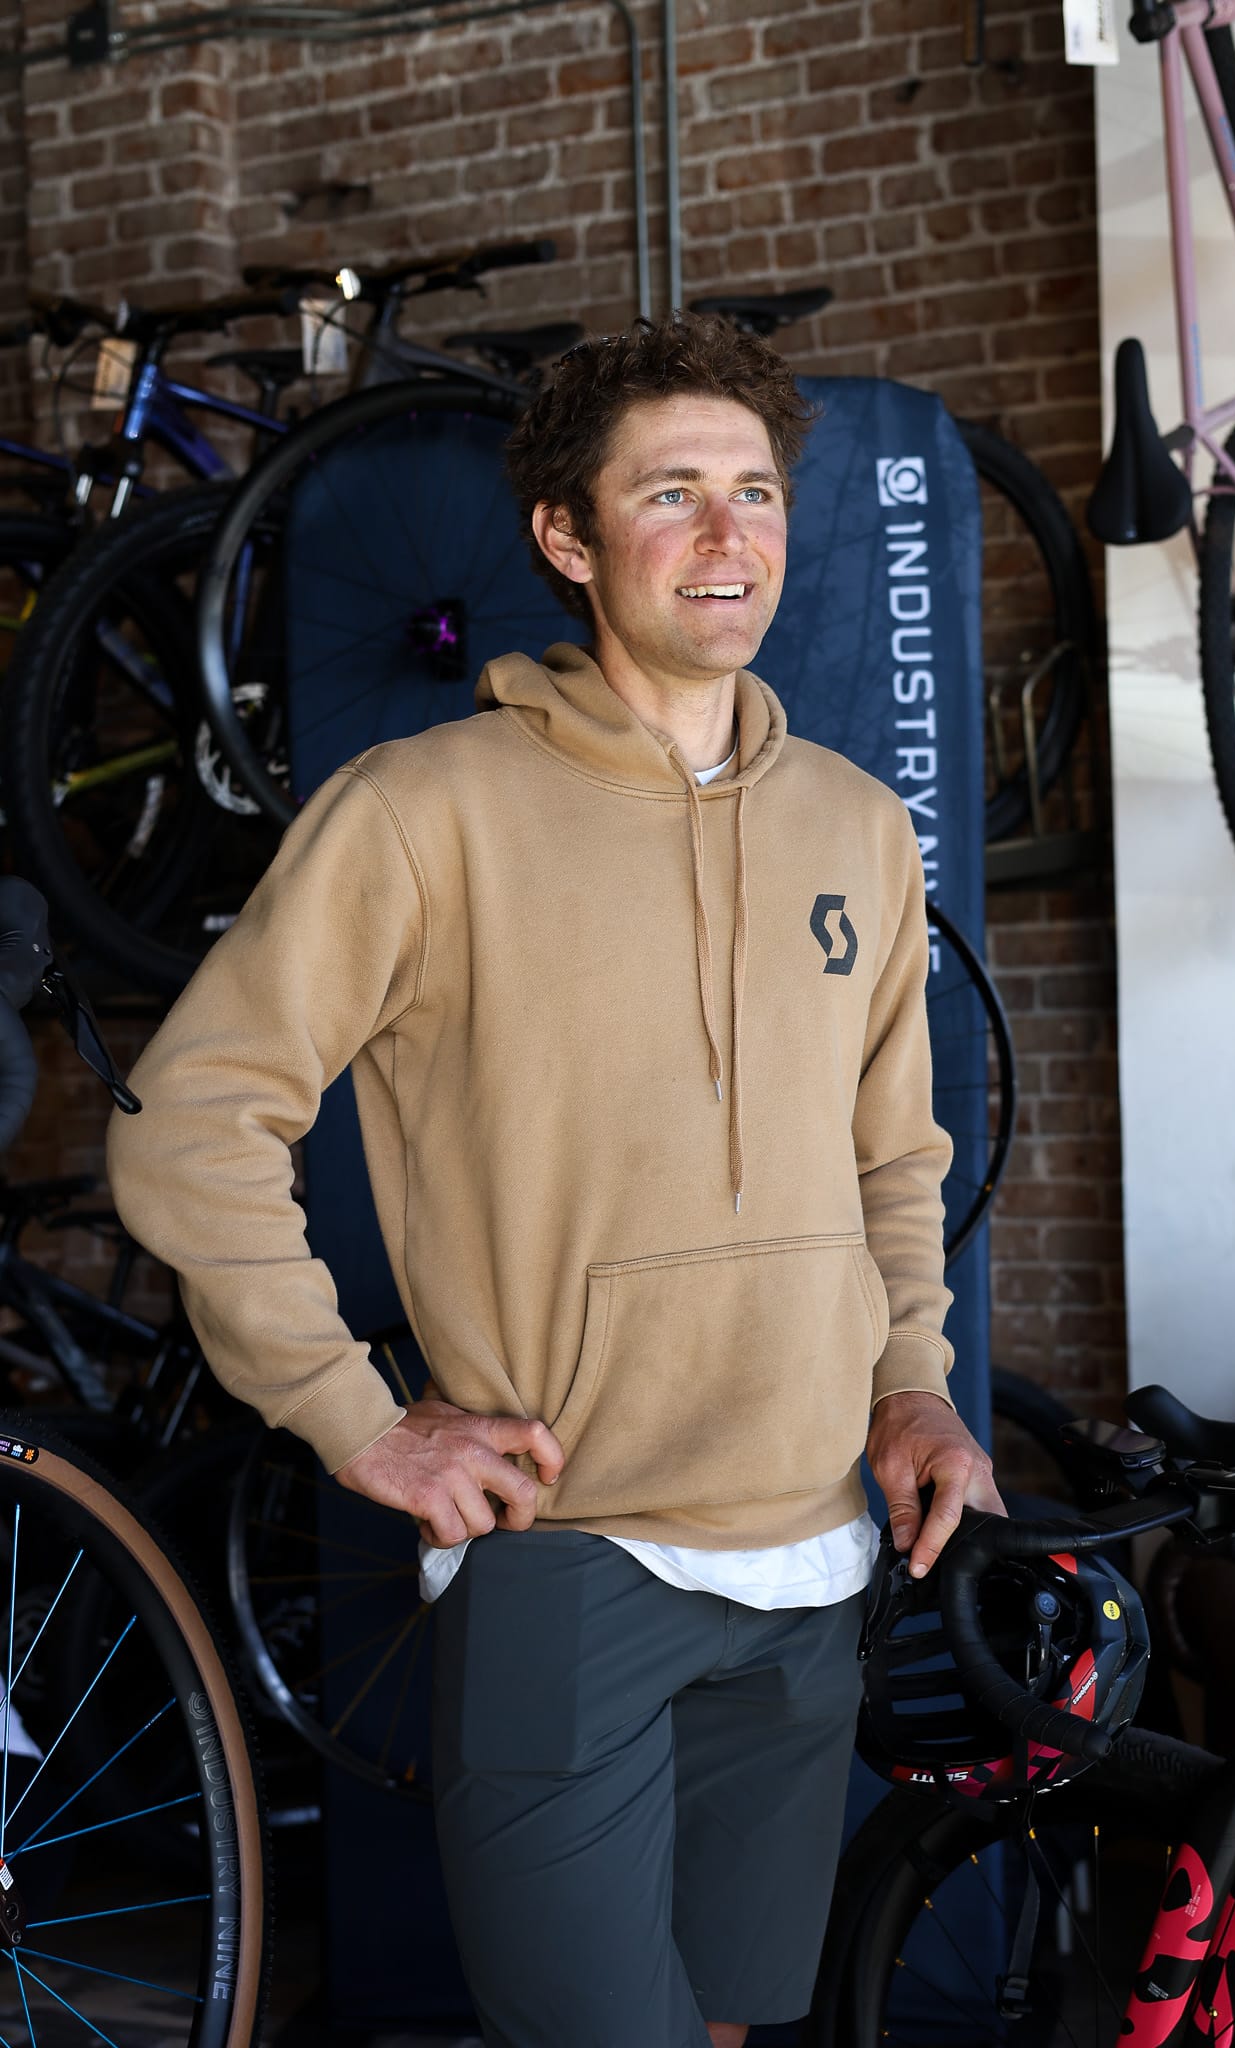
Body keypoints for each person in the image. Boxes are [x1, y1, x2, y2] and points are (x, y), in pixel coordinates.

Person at [105, 314, 1002, 2048]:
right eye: (671, 494)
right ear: (566, 540)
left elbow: (893, 1154)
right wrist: (354, 1416)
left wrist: (910, 1387)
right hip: (569, 1555)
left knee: (734, 2021)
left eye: (754, 491)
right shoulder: (421, 812)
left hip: (822, 1550)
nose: (729, 536)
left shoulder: (850, 824)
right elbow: (188, 1117)